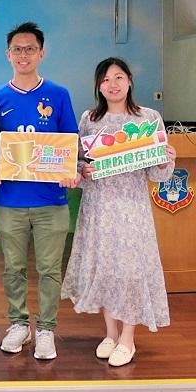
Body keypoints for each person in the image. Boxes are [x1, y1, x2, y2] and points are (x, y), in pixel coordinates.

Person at [62, 57, 175, 367]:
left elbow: (157, 174)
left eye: (118, 77)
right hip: (98, 208)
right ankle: (110, 333)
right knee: (104, 269)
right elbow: (80, 161)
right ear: (98, 85)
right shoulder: (89, 119)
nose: (112, 84)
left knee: (129, 271)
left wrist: (166, 159)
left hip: (132, 209)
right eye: (105, 79)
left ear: (129, 81)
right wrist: (82, 170)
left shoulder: (148, 118)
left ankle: (128, 338)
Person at [0, 22, 79, 361]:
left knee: (50, 268)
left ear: (41, 53)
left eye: (30, 49)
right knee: (13, 267)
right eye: (17, 49)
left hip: (51, 201)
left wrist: (69, 172)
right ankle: (18, 324)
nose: (23, 54)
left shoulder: (58, 94)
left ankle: (47, 330)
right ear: (8, 54)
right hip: (10, 200)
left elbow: (70, 142)